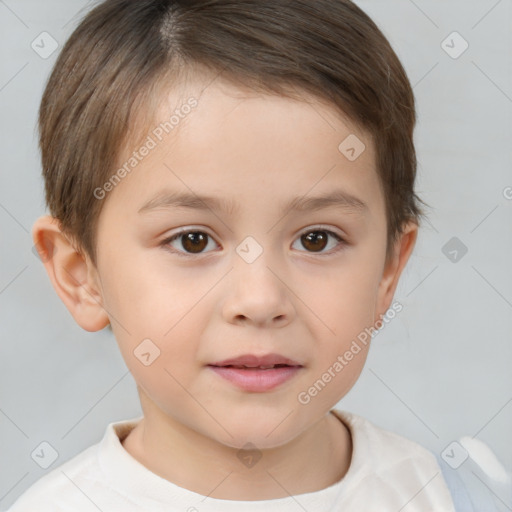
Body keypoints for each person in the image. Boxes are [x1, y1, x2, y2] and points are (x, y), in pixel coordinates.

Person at [9, 0, 501, 509]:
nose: (261, 299)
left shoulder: (459, 496)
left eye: (316, 239)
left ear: (387, 271)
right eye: (192, 240)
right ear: (80, 276)